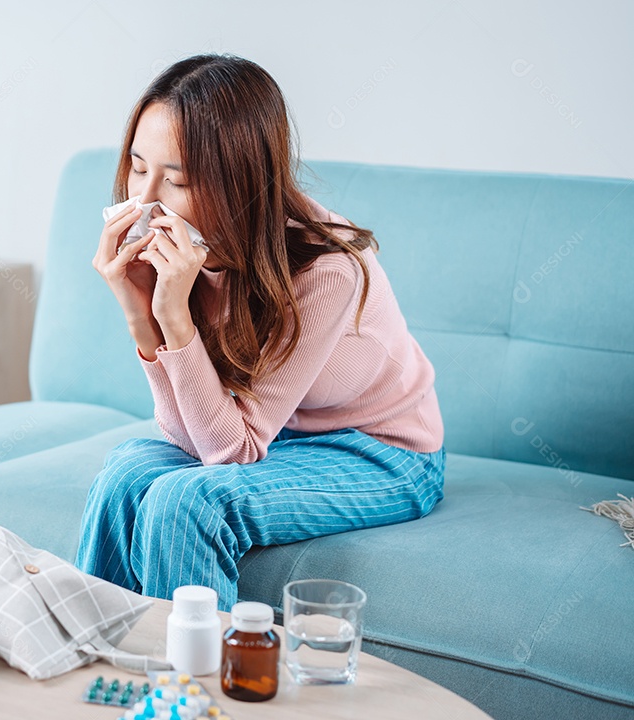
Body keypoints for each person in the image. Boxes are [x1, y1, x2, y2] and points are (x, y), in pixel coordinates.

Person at [76, 54, 446, 612]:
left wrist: (173, 317)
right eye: (136, 166)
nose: (145, 199)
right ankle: (96, 669)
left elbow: (230, 453)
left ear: (238, 182)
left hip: (381, 452)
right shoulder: (182, 252)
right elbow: (190, 437)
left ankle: (190, 693)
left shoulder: (328, 269)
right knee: (126, 471)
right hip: (274, 436)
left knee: (187, 502)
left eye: (176, 180)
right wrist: (140, 309)